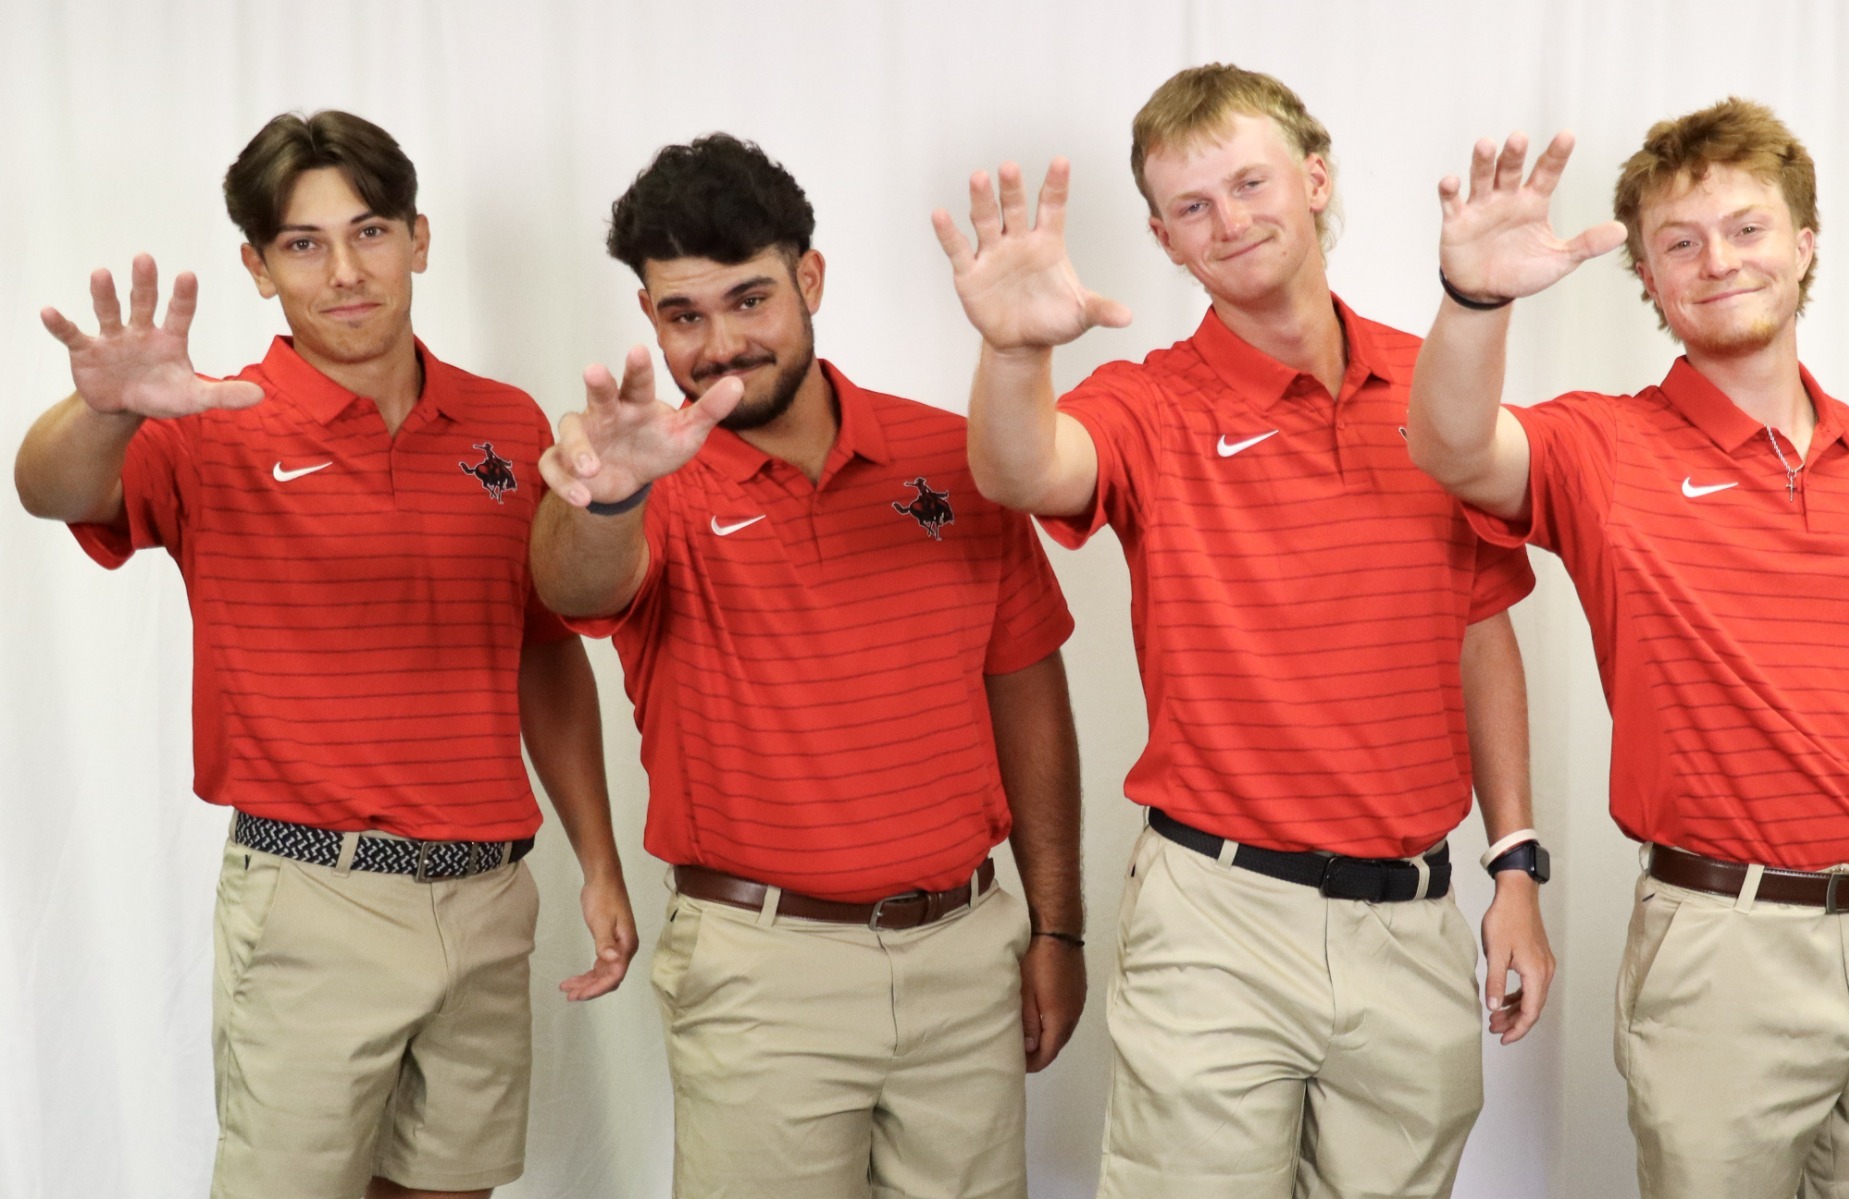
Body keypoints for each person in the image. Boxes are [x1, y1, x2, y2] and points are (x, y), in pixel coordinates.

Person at [933, 64, 1554, 1198]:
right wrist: (1016, 352)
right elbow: (1020, 467)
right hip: (1217, 917)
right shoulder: (1150, 403)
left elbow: (1481, 636)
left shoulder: (1435, 392)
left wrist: (1515, 864)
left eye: (1248, 181)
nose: (1228, 221)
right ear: (1165, 242)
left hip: (1412, 920)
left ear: (1313, 179)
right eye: (1190, 206)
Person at [13, 110, 636, 1199]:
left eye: (371, 231)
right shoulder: (206, 423)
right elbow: (50, 489)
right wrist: (104, 407)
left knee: (450, 1189)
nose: (346, 271)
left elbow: (542, 651)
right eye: (303, 244)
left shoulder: (503, 421)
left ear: (420, 239)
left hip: (488, 893)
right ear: (257, 266)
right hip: (312, 900)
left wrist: (596, 856)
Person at [1405, 97, 1849, 1198]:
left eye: (1745, 227)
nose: (1715, 260)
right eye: (1678, 242)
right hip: (1722, 949)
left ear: (1802, 244)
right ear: (1645, 275)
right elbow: (1446, 443)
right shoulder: (1601, 444)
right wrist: (1473, 297)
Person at [530, 132, 1084, 1199]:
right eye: (682, 315)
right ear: (648, 318)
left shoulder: (952, 457)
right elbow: (574, 588)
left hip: (964, 956)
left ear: (809, 279)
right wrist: (607, 495)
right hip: (760, 967)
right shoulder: (642, 480)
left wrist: (1053, 922)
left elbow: (1025, 689)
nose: (721, 343)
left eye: (749, 300)